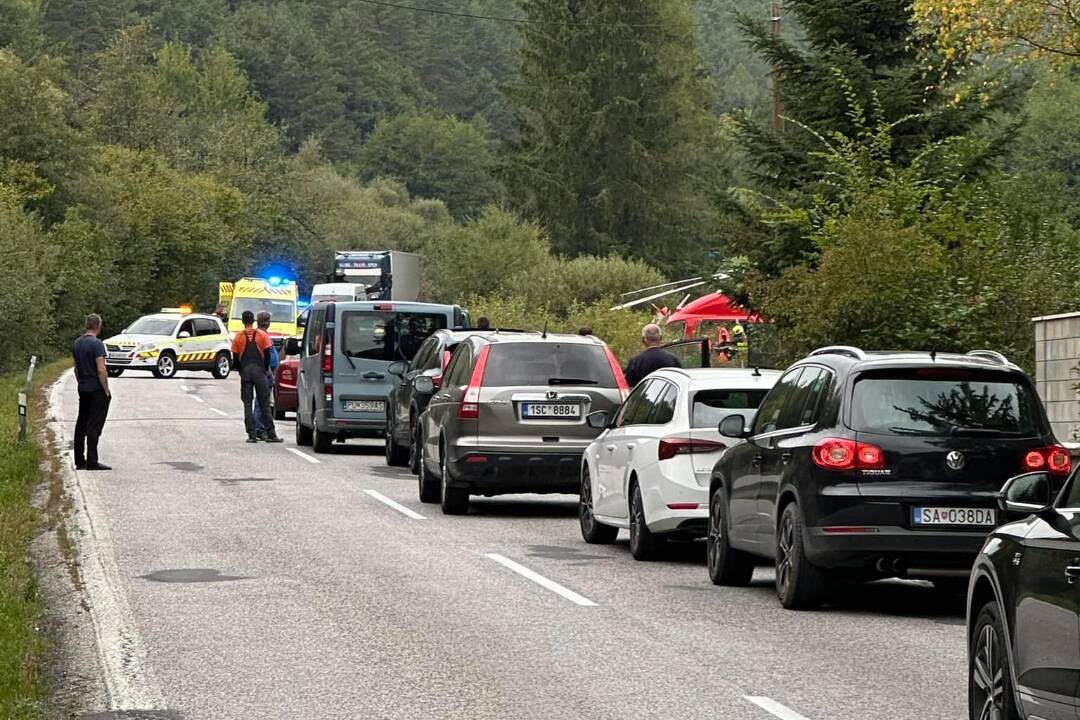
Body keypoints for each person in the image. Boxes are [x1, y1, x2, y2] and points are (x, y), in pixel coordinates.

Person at [231, 310, 282, 444]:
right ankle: (271, 433)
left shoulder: (238, 337)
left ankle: (252, 434)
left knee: (247, 404)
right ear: (253, 321)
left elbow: (235, 359)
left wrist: (241, 371)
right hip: (260, 373)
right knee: (264, 404)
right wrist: (265, 370)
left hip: (246, 373)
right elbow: (267, 356)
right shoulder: (261, 335)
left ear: (242, 321)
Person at [72, 313, 112, 471]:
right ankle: (92, 460)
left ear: (86, 325)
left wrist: (81, 382)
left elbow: (76, 368)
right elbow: (101, 369)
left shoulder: (77, 343)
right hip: (96, 388)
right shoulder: (97, 344)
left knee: (81, 422)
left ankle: (79, 460)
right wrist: (106, 389)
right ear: (98, 326)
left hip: (83, 387)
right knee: (94, 424)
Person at [251, 311, 280, 440]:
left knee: (263, 401)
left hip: (265, 371)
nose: (268, 322)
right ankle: (259, 429)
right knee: (262, 402)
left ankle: (261, 428)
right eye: (267, 320)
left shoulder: (263, 334)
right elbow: (263, 356)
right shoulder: (261, 335)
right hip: (264, 372)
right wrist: (269, 373)